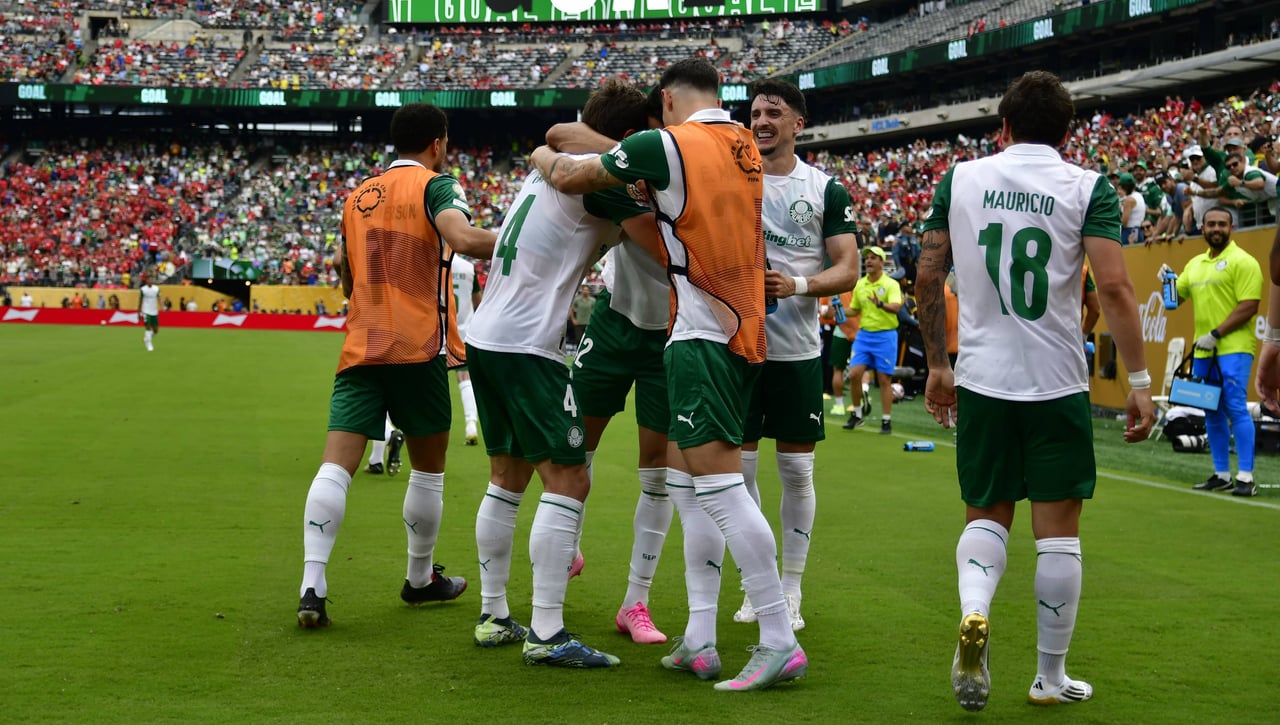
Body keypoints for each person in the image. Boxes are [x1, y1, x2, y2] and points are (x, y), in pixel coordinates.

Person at [531, 57, 807, 691]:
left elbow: (571, 171)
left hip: (701, 334)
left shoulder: (668, 144)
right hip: (745, 331)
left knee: (721, 491)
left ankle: (777, 636)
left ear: (668, 101)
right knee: (701, 490)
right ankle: (701, 639)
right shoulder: (742, 143)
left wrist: (539, 162)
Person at [916, 70, 1156, 713]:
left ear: (1004, 126)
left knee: (986, 512)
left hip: (983, 377)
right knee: (1059, 532)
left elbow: (929, 268)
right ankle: (1050, 677)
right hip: (1054, 381)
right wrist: (1137, 382)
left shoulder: (962, 178)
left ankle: (974, 612)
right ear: (1067, 132)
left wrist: (938, 365)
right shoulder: (1086, 186)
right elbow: (1114, 288)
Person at [466, 78, 655, 667]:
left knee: (506, 476)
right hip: (528, 344)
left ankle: (495, 614)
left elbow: (557, 139)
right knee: (570, 480)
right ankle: (547, 634)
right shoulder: (603, 179)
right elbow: (668, 248)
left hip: (486, 335)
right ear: (627, 138)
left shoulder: (544, 171)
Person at [296, 103, 496, 629]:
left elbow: (345, 274)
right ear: (438, 143)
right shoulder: (437, 185)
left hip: (362, 346)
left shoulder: (357, 194)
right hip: (417, 346)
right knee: (429, 471)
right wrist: (529, 239)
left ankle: (312, 586)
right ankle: (419, 577)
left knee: (335, 466)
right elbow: (463, 238)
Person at [542, 87, 674, 647]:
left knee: (657, 473)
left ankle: (635, 602)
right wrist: (627, 161)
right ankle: (564, 551)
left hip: (671, 336)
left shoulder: (682, 168)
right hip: (615, 324)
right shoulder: (622, 173)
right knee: (575, 450)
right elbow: (557, 137)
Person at [733, 78, 859, 632]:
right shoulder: (733, 181)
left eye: (774, 113)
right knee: (738, 471)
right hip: (736, 346)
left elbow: (848, 268)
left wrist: (799, 286)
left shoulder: (826, 189)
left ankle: (790, 590)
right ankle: (756, 584)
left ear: (797, 123)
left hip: (798, 352)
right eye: (756, 112)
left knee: (796, 472)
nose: (761, 120)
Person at [1159, 206, 1262, 496]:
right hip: (1204, 352)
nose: (1216, 229)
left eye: (1222, 224)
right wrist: (1167, 281)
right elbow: (1172, 302)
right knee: (1211, 412)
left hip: (1234, 348)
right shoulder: (1195, 264)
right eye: (1211, 224)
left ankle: (1245, 477)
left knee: (1236, 409)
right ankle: (1221, 474)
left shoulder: (1244, 261)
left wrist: (1216, 334)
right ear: (1202, 229)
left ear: (1232, 228)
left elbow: (1250, 305)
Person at [843, 246, 902, 433]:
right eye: (867, 258)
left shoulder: (891, 284)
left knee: (884, 379)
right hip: (864, 335)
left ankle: (886, 421)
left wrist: (881, 304)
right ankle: (857, 415)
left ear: (882, 262)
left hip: (886, 336)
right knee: (854, 374)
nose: (868, 261)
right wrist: (838, 312)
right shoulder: (860, 284)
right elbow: (854, 309)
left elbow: (896, 307)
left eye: (873, 258)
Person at [451, 254, 482, 445]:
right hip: (463, 332)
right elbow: (478, 301)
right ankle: (471, 424)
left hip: (437, 331)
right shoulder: (468, 268)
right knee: (465, 378)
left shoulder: (432, 260)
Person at [568, 285, 596, 353]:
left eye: (587, 290)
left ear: (589, 291)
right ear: (582, 291)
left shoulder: (593, 300)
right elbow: (571, 308)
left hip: (589, 323)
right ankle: (577, 354)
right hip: (579, 323)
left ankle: (588, 354)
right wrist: (573, 319)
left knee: (588, 340)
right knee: (578, 339)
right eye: (584, 290)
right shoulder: (577, 299)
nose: (585, 291)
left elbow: (596, 311)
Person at [138, 274, 160, 352]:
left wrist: (162, 305)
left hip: (154, 311)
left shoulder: (156, 289)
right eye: (148, 280)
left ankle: (147, 338)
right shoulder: (143, 289)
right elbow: (140, 301)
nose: (150, 281)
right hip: (146, 311)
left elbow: (159, 298)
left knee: (156, 330)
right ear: (146, 281)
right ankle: (149, 344)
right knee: (148, 327)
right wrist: (139, 312)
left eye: (151, 279)